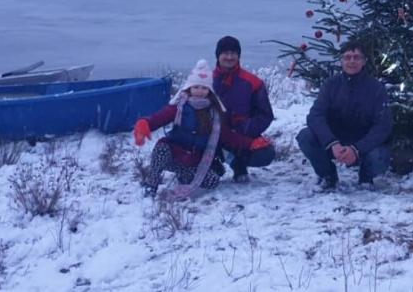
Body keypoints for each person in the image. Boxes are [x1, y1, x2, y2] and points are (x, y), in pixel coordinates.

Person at [133, 59, 271, 197]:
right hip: (174, 153)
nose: (199, 91)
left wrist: (251, 143)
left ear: (209, 91)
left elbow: (228, 136)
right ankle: (152, 184)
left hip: (196, 159)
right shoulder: (179, 106)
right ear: (189, 88)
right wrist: (145, 123)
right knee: (161, 148)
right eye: (196, 87)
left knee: (212, 181)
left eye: (204, 88)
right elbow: (160, 117)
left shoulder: (214, 114)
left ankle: (186, 175)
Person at [296, 40, 392, 190]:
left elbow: (383, 125)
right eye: (347, 57)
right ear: (341, 61)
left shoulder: (376, 88)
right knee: (305, 136)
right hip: (335, 142)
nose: (352, 61)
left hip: (363, 144)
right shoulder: (330, 85)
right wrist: (332, 143)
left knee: (381, 155)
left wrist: (356, 149)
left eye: (356, 57)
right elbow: (315, 116)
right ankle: (328, 176)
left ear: (364, 61)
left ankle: (366, 178)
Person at [212, 35, 276, 182]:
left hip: (243, 135)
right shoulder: (205, 82)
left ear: (238, 55)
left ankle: (238, 165)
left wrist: (245, 129)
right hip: (212, 135)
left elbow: (265, 115)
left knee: (266, 153)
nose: (229, 57)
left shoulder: (253, 82)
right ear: (218, 55)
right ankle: (212, 165)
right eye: (225, 53)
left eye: (233, 53)